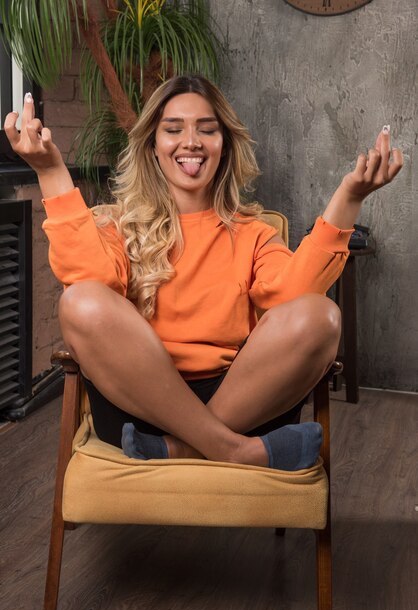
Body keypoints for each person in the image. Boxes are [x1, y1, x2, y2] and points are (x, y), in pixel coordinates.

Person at [4, 75, 403, 471]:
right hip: (138, 406)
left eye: (207, 130)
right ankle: (234, 450)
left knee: (322, 316)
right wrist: (50, 170)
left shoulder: (255, 234)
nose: (191, 141)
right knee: (80, 301)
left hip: (240, 400)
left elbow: (293, 300)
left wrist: (349, 197)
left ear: (224, 146)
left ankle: (179, 447)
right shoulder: (117, 226)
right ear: (153, 147)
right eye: (173, 129)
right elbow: (92, 287)